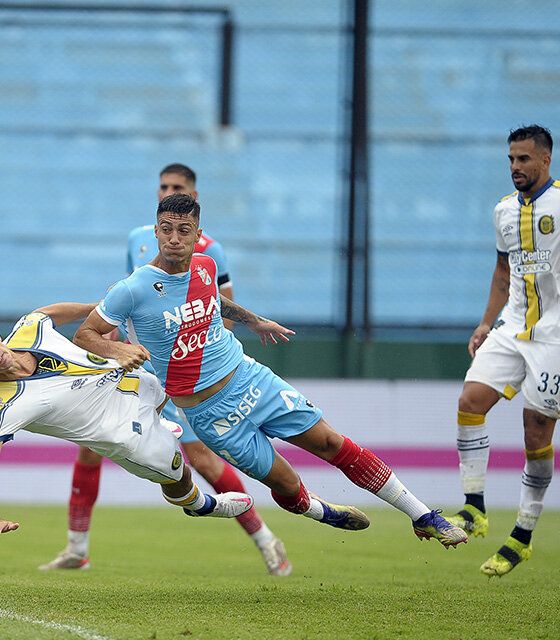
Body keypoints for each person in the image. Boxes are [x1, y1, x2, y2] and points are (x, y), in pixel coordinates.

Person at [73, 193, 468, 548]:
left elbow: (216, 303)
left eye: (184, 230)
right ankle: (320, 511)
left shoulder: (206, 267)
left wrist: (255, 320)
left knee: (331, 442)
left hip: (250, 379)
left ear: (197, 235)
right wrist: (114, 349)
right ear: (156, 232)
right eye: (166, 230)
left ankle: (422, 516)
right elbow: (85, 334)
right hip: (209, 414)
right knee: (286, 485)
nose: (174, 238)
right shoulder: (133, 288)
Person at [43, 164, 291, 576]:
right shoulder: (139, 239)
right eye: (162, 187)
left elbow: (219, 313)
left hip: (189, 374)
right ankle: (76, 548)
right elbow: (128, 301)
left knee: (205, 462)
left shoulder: (211, 252)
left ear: (193, 198)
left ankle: (266, 539)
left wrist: (195, 357)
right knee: (90, 445)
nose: (167, 192)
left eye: (176, 188)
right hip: (138, 365)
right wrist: (116, 348)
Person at [0, 303, 255, 548]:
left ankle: (174, 421)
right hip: (125, 436)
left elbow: (54, 312)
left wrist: (104, 310)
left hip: (135, 381)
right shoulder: (0, 407)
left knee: (207, 390)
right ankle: (200, 505)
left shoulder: (30, 327)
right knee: (179, 475)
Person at [447, 124, 559, 577]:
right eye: (511, 159)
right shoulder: (503, 211)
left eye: (524, 159)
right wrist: (484, 321)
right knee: (470, 402)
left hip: (555, 336)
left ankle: (523, 536)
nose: (515, 167)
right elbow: (502, 269)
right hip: (512, 327)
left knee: (536, 435)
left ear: (546, 160)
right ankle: (474, 509)